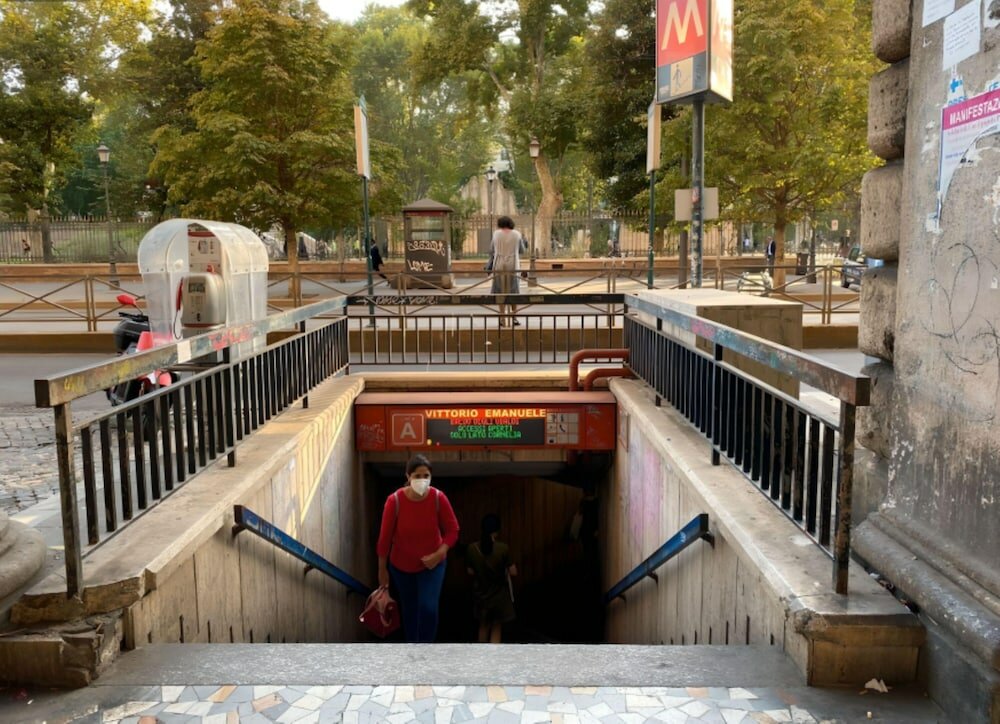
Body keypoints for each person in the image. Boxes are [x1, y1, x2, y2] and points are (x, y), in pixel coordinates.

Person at [376, 454, 459, 643]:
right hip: (401, 567)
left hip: (433, 565)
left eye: (426, 476)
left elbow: (453, 530)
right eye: (417, 476)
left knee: (428, 607)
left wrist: (440, 553)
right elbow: (384, 539)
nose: (422, 480)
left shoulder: (438, 498)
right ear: (408, 476)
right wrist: (382, 568)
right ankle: (413, 650)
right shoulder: (394, 501)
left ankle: (426, 649)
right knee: (410, 609)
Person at [466, 514, 517, 643]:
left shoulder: (472, 549)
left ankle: (481, 658)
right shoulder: (503, 548)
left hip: (481, 595)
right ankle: (493, 660)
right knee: (496, 627)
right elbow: (513, 572)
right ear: (497, 530)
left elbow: (470, 571)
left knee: (483, 626)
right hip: (499, 596)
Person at [489, 216, 523, 326]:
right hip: (513, 265)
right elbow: (522, 250)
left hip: (499, 264)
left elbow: (491, 250)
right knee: (514, 291)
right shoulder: (517, 234)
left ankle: (502, 317)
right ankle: (514, 317)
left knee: (500, 291)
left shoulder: (496, 234)